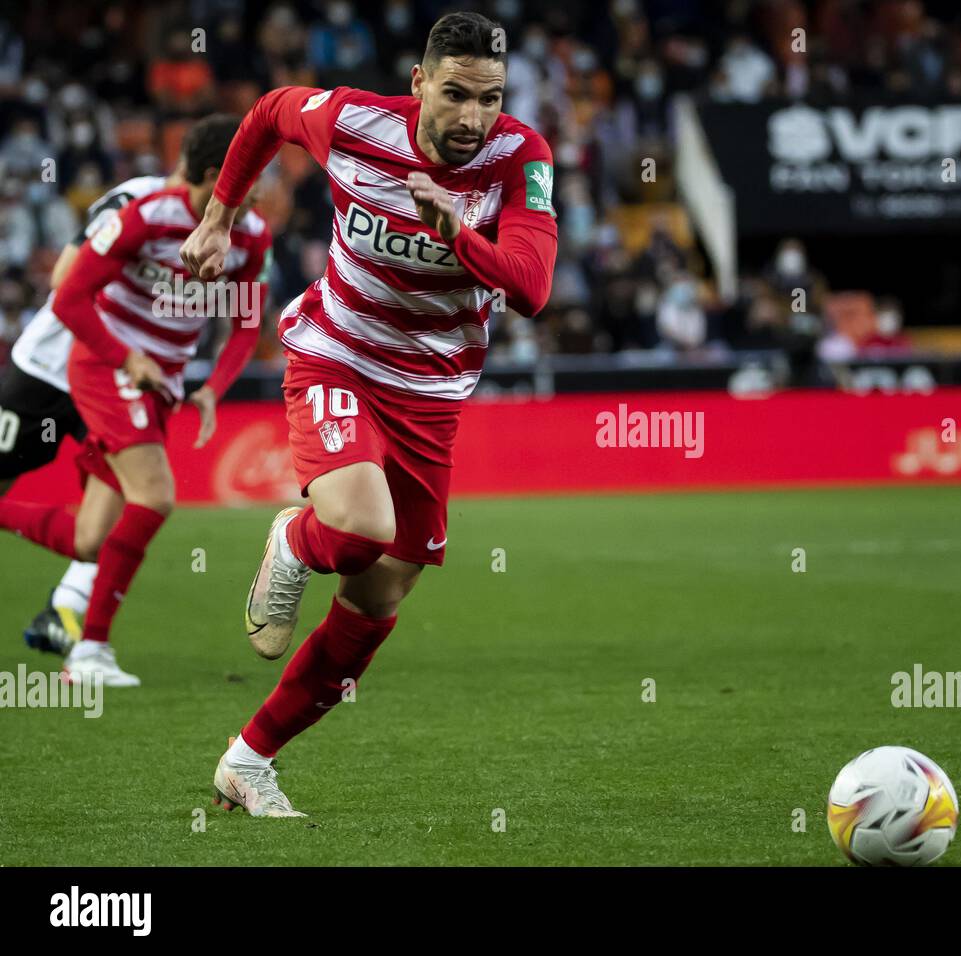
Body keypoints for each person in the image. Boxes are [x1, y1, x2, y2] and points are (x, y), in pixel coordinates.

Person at [179, 11, 558, 817]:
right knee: (355, 532)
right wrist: (219, 214)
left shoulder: (520, 157)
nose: (471, 118)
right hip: (337, 353)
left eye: (488, 99)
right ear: (419, 82)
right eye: (454, 94)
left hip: (432, 394)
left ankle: (249, 761)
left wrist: (458, 232)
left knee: (378, 599)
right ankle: (293, 535)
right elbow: (271, 110)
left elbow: (530, 285)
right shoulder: (355, 121)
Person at [0, 116, 271, 685]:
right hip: (94, 366)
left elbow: (246, 326)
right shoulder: (146, 211)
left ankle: (77, 633)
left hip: (158, 386)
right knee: (155, 495)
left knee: (89, 537)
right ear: (211, 177)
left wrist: (211, 390)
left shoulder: (250, 236)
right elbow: (70, 294)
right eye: (246, 176)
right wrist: (128, 358)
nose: (256, 190)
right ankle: (90, 651)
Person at [1, 164, 181, 657]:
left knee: (126, 499)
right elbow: (66, 277)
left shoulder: (225, 225)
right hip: (48, 367)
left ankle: (62, 610)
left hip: (111, 379)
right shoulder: (138, 200)